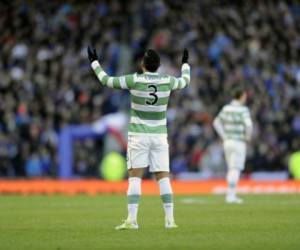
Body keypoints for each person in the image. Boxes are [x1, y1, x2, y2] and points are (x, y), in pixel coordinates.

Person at [88, 47, 190, 229]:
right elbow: (185, 81)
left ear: (143, 64)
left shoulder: (134, 80)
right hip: (159, 135)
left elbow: (106, 80)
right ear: (158, 66)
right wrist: (185, 64)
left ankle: (132, 220)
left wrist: (94, 62)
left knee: (135, 178)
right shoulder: (167, 80)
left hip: (139, 135)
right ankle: (170, 220)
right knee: (163, 177)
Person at [213, 85, 253, 203]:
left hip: (228, 142)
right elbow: (249, 124)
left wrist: (224, 136)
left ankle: (231, 195)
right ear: (241, 96)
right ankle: (230, 196)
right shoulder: (243, 110)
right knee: (235, 168)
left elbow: (216, 122)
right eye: (245, 96)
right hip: (238, 142)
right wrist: (248, 136)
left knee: (231, 168)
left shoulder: (226, 108)